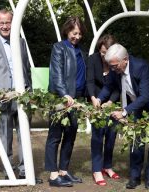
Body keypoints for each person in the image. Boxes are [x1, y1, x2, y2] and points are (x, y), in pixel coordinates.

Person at [0, 9, 43, 184]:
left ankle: (25, 171)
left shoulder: (21, 42)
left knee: (24, 136)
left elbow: (26, 69)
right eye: (1, 23)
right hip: (4, 98)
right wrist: (1, 92)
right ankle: (8, 171)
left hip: (23, 97)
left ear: (13, 23)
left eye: (8, 22)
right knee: (6, 136)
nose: (5, 26)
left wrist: (29, 90)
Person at [95, 43, 149, 190]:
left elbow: (145, 96)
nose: (113, 69)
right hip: (136, 106)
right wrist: (100, 99)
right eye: (111, 66)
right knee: (136, 143)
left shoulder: (141, 67)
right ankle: (135, 178)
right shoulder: (115, 68)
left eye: (114, 66)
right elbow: (108, 86)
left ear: (125, 59)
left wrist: (124, 111)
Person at [45, 16, 87, 187]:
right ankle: (54, 176)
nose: (76, 36)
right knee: (55, 136)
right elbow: (56, 74)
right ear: (67, 31)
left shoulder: (81, 52)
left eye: (79, 34)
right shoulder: (59, 48)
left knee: (70, 135)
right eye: (73, 33)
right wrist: (64, 94)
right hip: (60, 99)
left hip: (76, 100)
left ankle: (63, 170)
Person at [86, 35, 120, 186]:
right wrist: (94, 98)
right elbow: (90, 81)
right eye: (102, 52)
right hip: (96, 102)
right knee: (97, 137)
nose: (105, 55)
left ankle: (107, 166)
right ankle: (97, 169)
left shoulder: (117, 61)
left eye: (108, 52)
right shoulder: (93, 59)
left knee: (111, 136)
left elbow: (119, 85)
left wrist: (111, 101)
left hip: (113, 102)